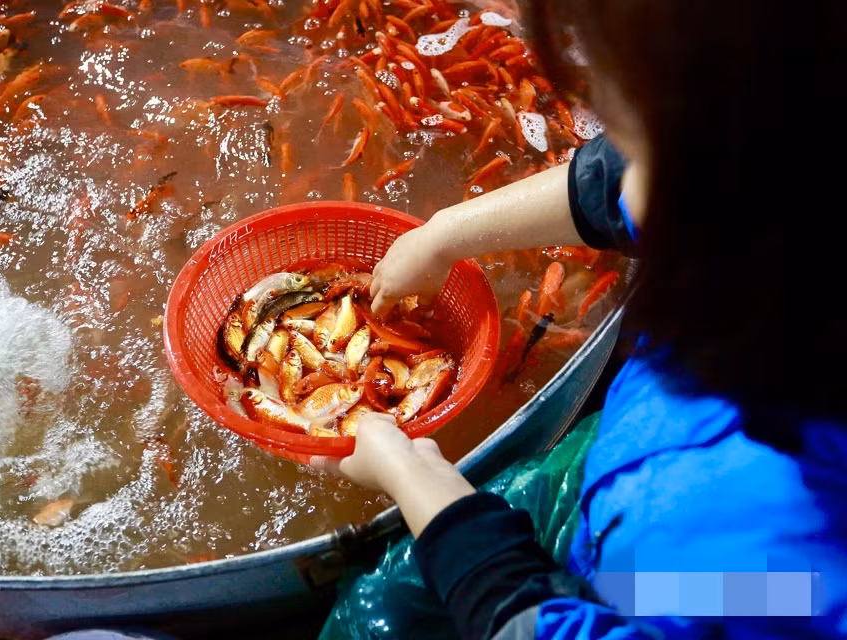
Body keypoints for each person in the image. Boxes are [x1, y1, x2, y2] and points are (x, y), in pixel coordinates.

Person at [311, 0, 847, 638]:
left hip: (659, 571)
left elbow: (550, 627)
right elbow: (620, 186)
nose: (622, 181)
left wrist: (416, 479)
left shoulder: (773, 568)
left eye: (638, 145)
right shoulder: (774, 208)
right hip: (631, 483)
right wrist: (443, 235)